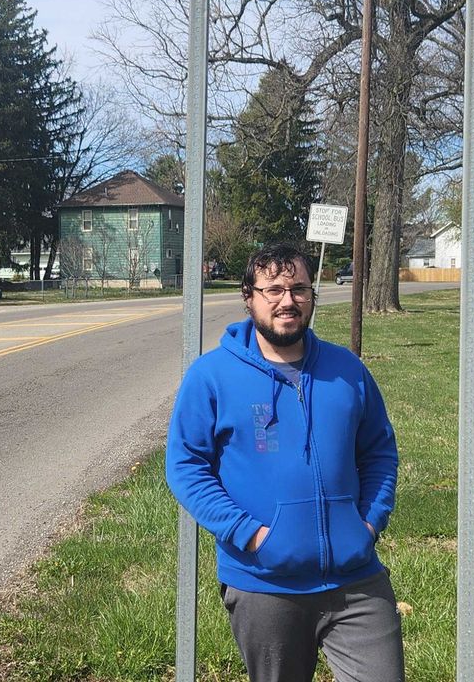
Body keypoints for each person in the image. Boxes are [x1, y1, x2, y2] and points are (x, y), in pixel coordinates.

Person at [165, 243, 403, 682]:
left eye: (299, 288)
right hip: (265, 583)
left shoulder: (347, 370)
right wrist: (250, 535)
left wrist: (368, 523)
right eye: (272, 289)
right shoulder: (212, 375)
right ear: (248, 295)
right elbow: (186, 466)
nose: (287, 300)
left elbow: (379, 452)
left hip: (356, 580)